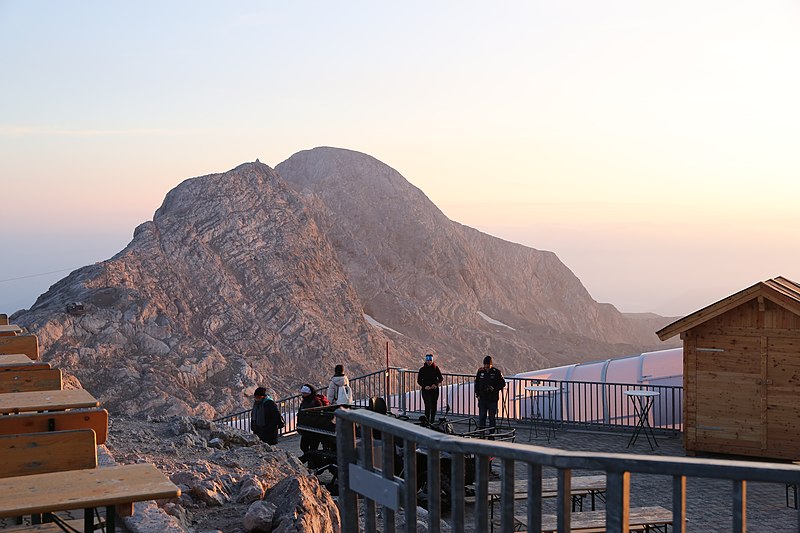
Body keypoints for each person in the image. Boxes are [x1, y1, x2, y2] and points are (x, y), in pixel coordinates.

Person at [475, 355, 506, 433]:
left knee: (492, 418)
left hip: (492, 399)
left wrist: (494, 388)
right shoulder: (480, 371)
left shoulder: (496, 372)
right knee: (482, 417)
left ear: (491, 365)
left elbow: (503, 384)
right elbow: (477, 384)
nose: (486, 367)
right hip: (482, 399)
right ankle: (481, 433)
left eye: (488, 365)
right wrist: (477, 395)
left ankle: (491, 434)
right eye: (485, 365)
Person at [417, 353, 443, 424]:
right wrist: (425, 386)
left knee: (434, 405)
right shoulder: (422, 370)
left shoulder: (435, 368)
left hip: (434, 390)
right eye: (427, 360)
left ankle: (432, 421)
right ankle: (427, 420)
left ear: (432, 360)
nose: (429, 361)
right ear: (426, 360)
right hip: (426, 390)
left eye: (430, 360)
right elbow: (419, 380)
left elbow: (440, 378)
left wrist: (435, 384)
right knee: (427, 405)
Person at [298, 384, 323, 453]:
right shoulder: (304, 402)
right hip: (306, 429)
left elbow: (319, 416)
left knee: (313, 448)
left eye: (304, 393)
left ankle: (312, 462)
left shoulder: (317, 402)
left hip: (314, 429)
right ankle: (311, 460)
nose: (303, 395)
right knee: (303, 446)